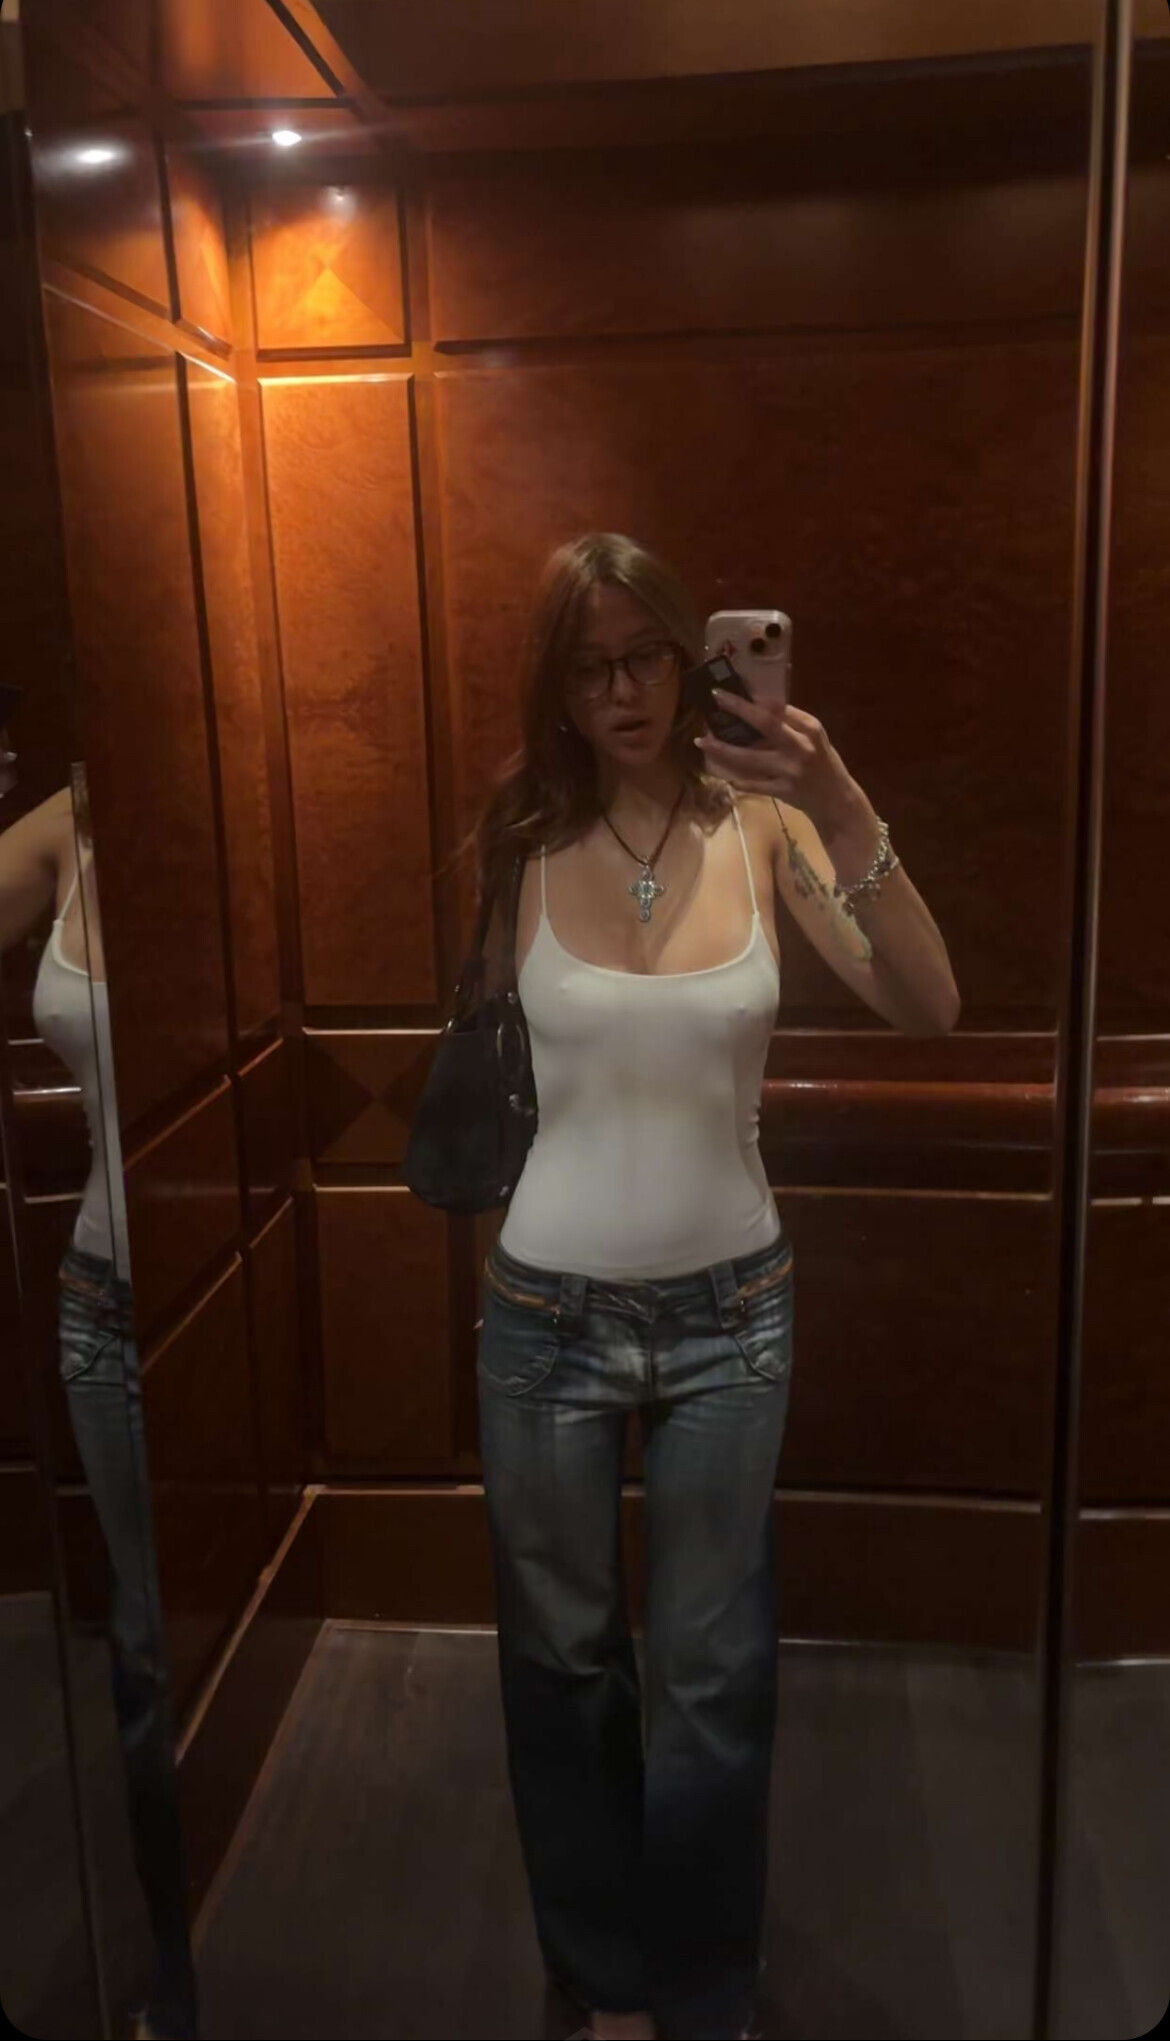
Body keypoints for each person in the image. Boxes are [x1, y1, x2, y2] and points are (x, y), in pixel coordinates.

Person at [465, 533, 960, 2041]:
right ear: (557, 686)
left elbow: (928, 1004)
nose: (622, 691)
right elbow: (495, 1062)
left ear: (694, 659)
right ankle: (596, 1974)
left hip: (732, 1315)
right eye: (588, 667)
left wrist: (841, 801)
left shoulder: (765, 827)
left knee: (708, 1673)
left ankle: (700, 1989)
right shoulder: (519, 836)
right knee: (560, 1661)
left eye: (644, 657)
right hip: (542, 1314)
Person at [0, 764, 197, 2041]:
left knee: (212, 1636)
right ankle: (177, 1955)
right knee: (143, 1639)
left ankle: (232, 1931)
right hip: (101, 1294)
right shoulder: (73, 821)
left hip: (221, 1295)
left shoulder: (224, 821)